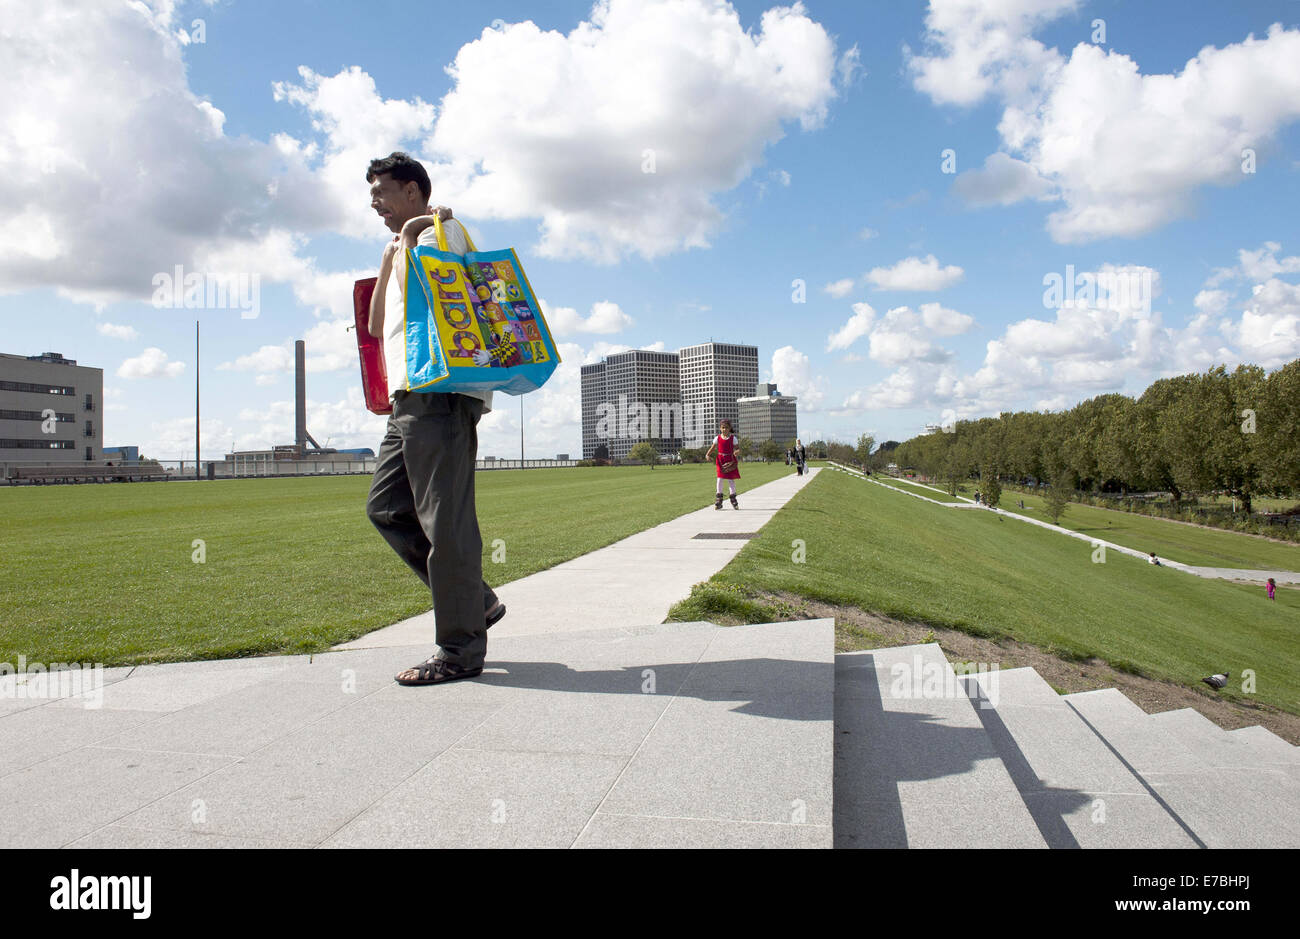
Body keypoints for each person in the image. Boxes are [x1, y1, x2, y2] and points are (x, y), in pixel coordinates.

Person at [362, 151, 503, 686]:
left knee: (446, 524)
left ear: (414, 190)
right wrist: (392, 250)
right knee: (387, 509)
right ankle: (477, 601)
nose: (374, 203)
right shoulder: (400, 245)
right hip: (406, 397)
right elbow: (376, 325)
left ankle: (460, 650)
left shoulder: (447, 232)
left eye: (382, 192)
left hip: (440, 392)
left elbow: (455, 292)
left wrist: (425, 226)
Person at [705, 420, 741, 509]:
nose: (725, 429)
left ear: (730, 428)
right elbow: (712, 448)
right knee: (720, 479)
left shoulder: (733, 438)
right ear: (720, 428)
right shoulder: (717, 438)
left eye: (727, 427)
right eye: (723, 428)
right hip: (720, 460)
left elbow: (738, 449)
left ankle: (733, 499)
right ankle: (718, 500)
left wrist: (737, 452)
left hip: (730, 460)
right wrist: (707, 454)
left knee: (731, 480)